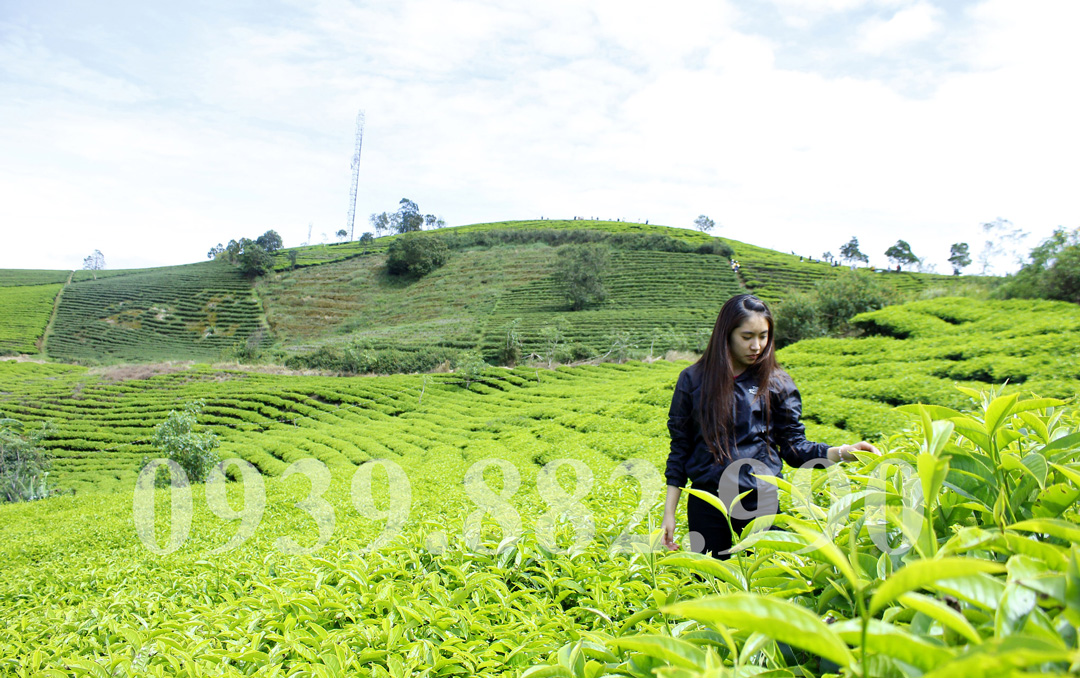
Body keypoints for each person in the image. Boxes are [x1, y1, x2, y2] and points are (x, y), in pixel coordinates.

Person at [661, 294, 879, 559]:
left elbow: (794, 447)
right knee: (710, 584)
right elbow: (680, 449)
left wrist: (843, 452)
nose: (756, 346)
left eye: (763, 336)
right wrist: (668, 514)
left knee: (764, 581)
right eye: (747, 336)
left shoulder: (776, 383)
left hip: (759, 500)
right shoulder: (693, 380)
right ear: (726, 335)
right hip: (708, 502)